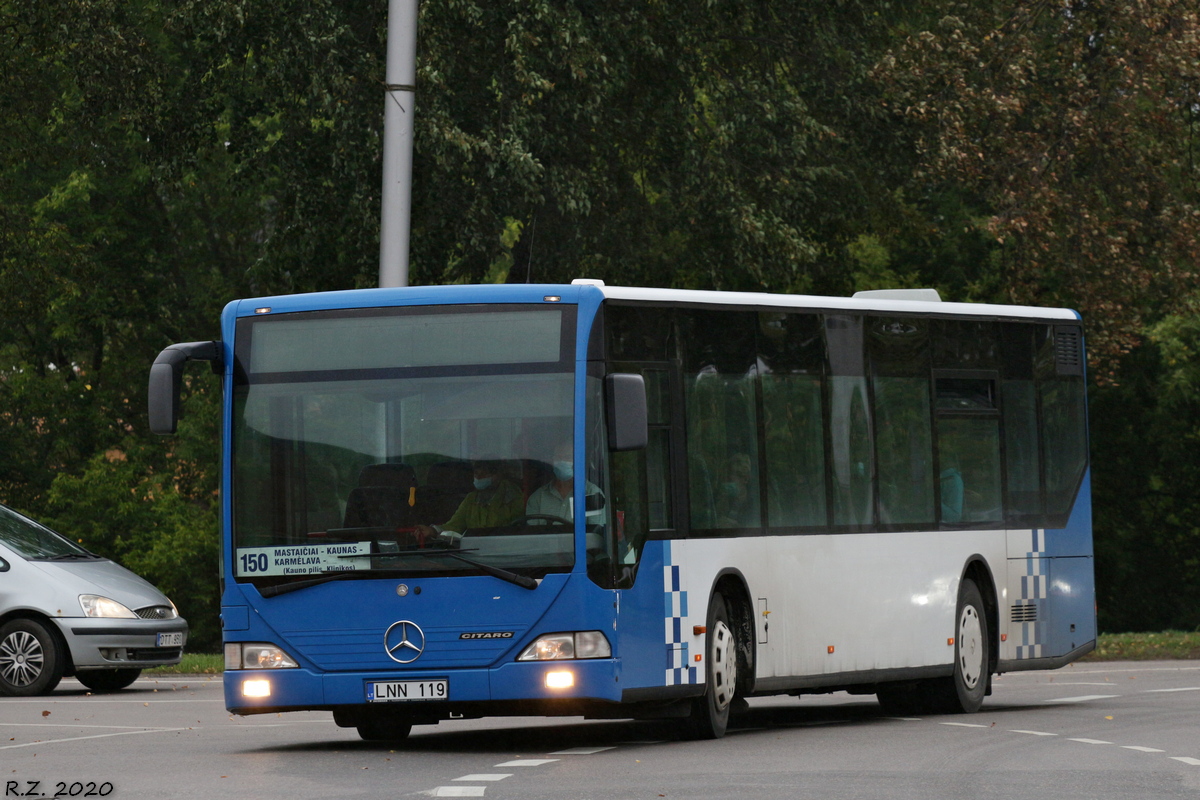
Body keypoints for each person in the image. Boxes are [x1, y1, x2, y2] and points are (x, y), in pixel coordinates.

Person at [415, 457, 523, 543]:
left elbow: (518, 531)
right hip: (473, 555)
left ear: (498, 475)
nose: (479, 478)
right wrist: (432, 531)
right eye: (476, 474)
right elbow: (454, 526)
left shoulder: (514, 497)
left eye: (484, 474)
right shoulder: (471, 498)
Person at [525, 441, 603, 523]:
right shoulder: (538, 497)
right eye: (558, 457)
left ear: (578, 460)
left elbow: (595, 533)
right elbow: (531, 533)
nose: (562, 461)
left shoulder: (591, 493)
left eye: (567, 457)